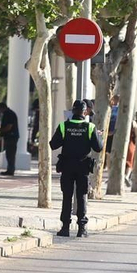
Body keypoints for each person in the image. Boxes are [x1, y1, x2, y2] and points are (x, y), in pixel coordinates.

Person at [50, 99, 104, 237]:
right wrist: (98, 136)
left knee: (67, 196)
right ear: (85, 112)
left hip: (67, 166)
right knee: (81, 196)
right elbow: (98, 147)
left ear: (72, 111)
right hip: (83, 167)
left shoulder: (64, 126)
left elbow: (53, 145)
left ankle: (65, 228)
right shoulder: (90, 128)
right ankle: (82, 229)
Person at [0, 102, 20, 175]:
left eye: (0, 109)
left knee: (10, 154)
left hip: (11, 136)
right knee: (9, 154)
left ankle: (10, 170)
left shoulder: (9, 114)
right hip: (10, 136)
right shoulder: (8, 113)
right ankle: (10, 169)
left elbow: (8, 127)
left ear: (2, 108)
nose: (0, 111)